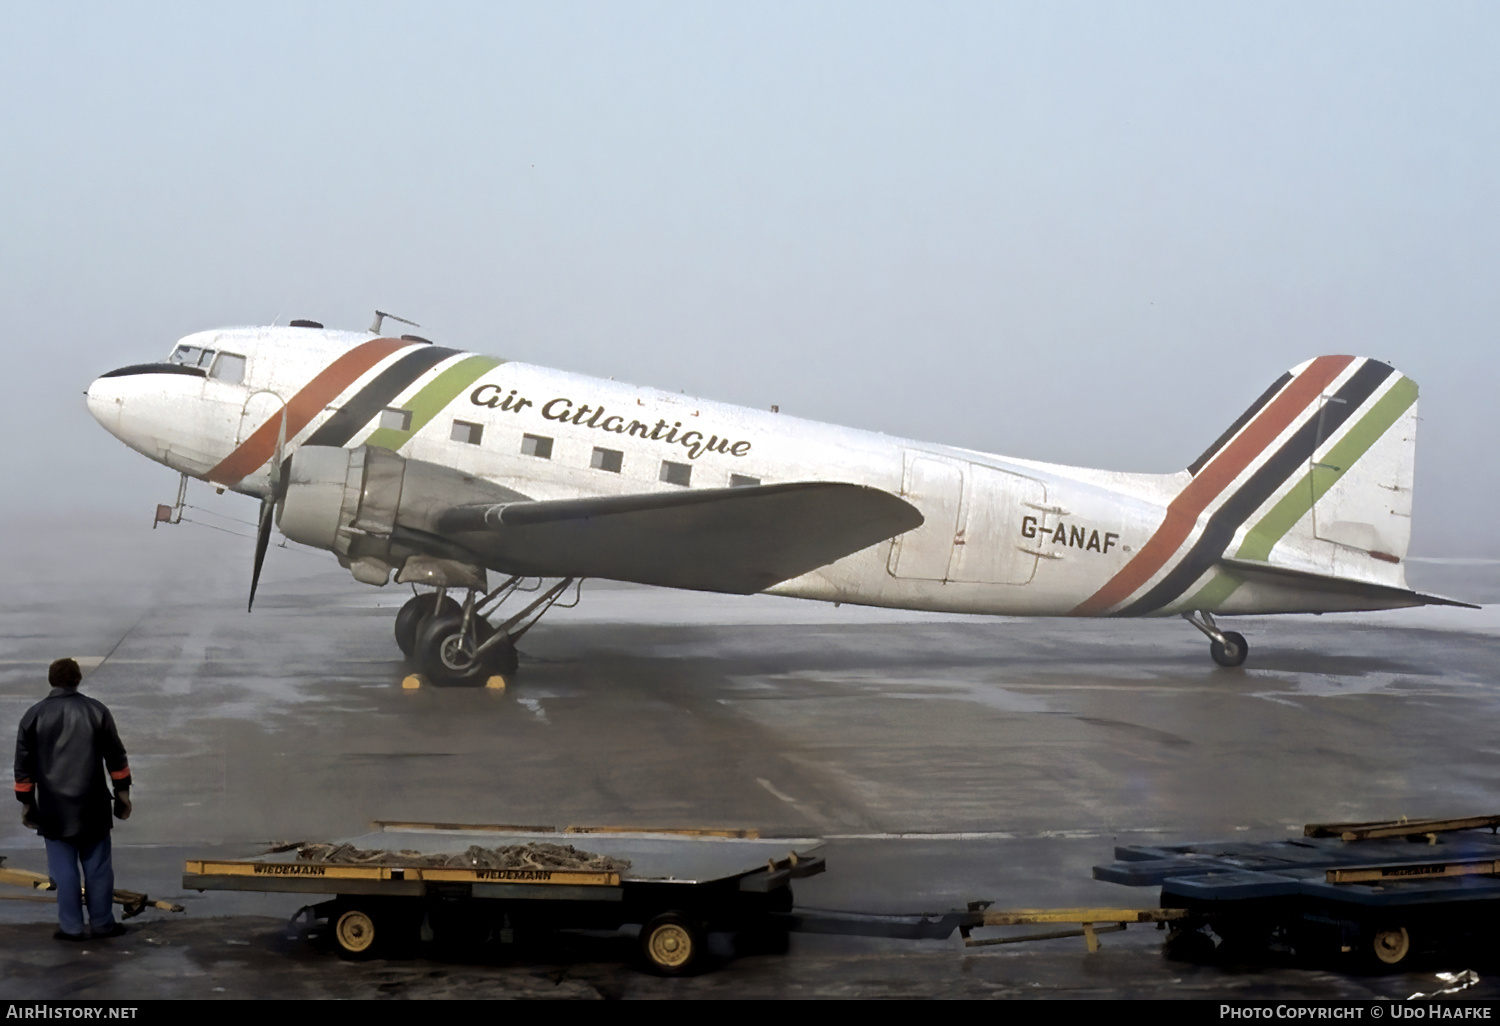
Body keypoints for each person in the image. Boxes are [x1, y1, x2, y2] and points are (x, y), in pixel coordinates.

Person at [13, 657, 133, 941]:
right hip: (94, 804)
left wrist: (27, 803)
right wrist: (123, 794)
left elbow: (23, 766)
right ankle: (103, 924)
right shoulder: (96, 710)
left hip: (54, 808)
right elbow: (116, 757)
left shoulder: (34, 715)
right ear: (78, 679)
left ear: (51, 681)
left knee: (64, 871)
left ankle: (71, 928)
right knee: (99, 869)